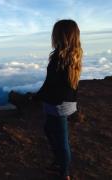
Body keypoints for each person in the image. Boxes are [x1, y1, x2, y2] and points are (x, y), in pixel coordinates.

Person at [33, 19, 83, 180]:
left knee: (61, 139)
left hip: (57, 104)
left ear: (60, 35)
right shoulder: (74, 55)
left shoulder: (59, 57)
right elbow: (70, 84)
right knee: (50, 130)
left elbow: (51, 85)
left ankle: (64, 173)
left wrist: (37, 97)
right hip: (67, 102)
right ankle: (60, 162)